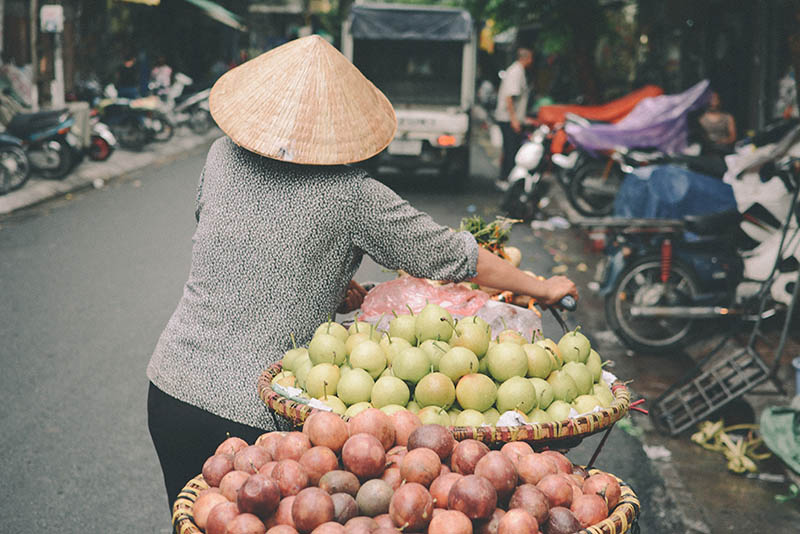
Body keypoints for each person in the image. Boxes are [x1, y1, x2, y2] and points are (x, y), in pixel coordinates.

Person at [146, 36, 577, 511]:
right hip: (257, 415)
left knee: (191, 520)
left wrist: (319, 282)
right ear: (340, 126)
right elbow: (453, 256)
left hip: (171, 389)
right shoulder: (352, 194)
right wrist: (543, 287)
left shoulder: (219, 156)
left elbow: (229, 248)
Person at [494, 48, 534, 191]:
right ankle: (505, 180)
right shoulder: (516, 71)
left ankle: (506, 179)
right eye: (531, 58)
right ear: (526, 58)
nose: (532, 61)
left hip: (509, 118)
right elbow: (509, 97)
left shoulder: (517, 70)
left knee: (509, 149)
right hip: (507, 118)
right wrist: (514, 120)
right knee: (511, 150)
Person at [698, 91, 737, 155]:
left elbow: (733, 137)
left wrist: (723, 142)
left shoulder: (728, 117)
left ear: (719, 100)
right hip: (706, 151)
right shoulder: (701, 119)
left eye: (714, 98)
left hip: (723, 150)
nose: (712, 101)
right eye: (709, 98)